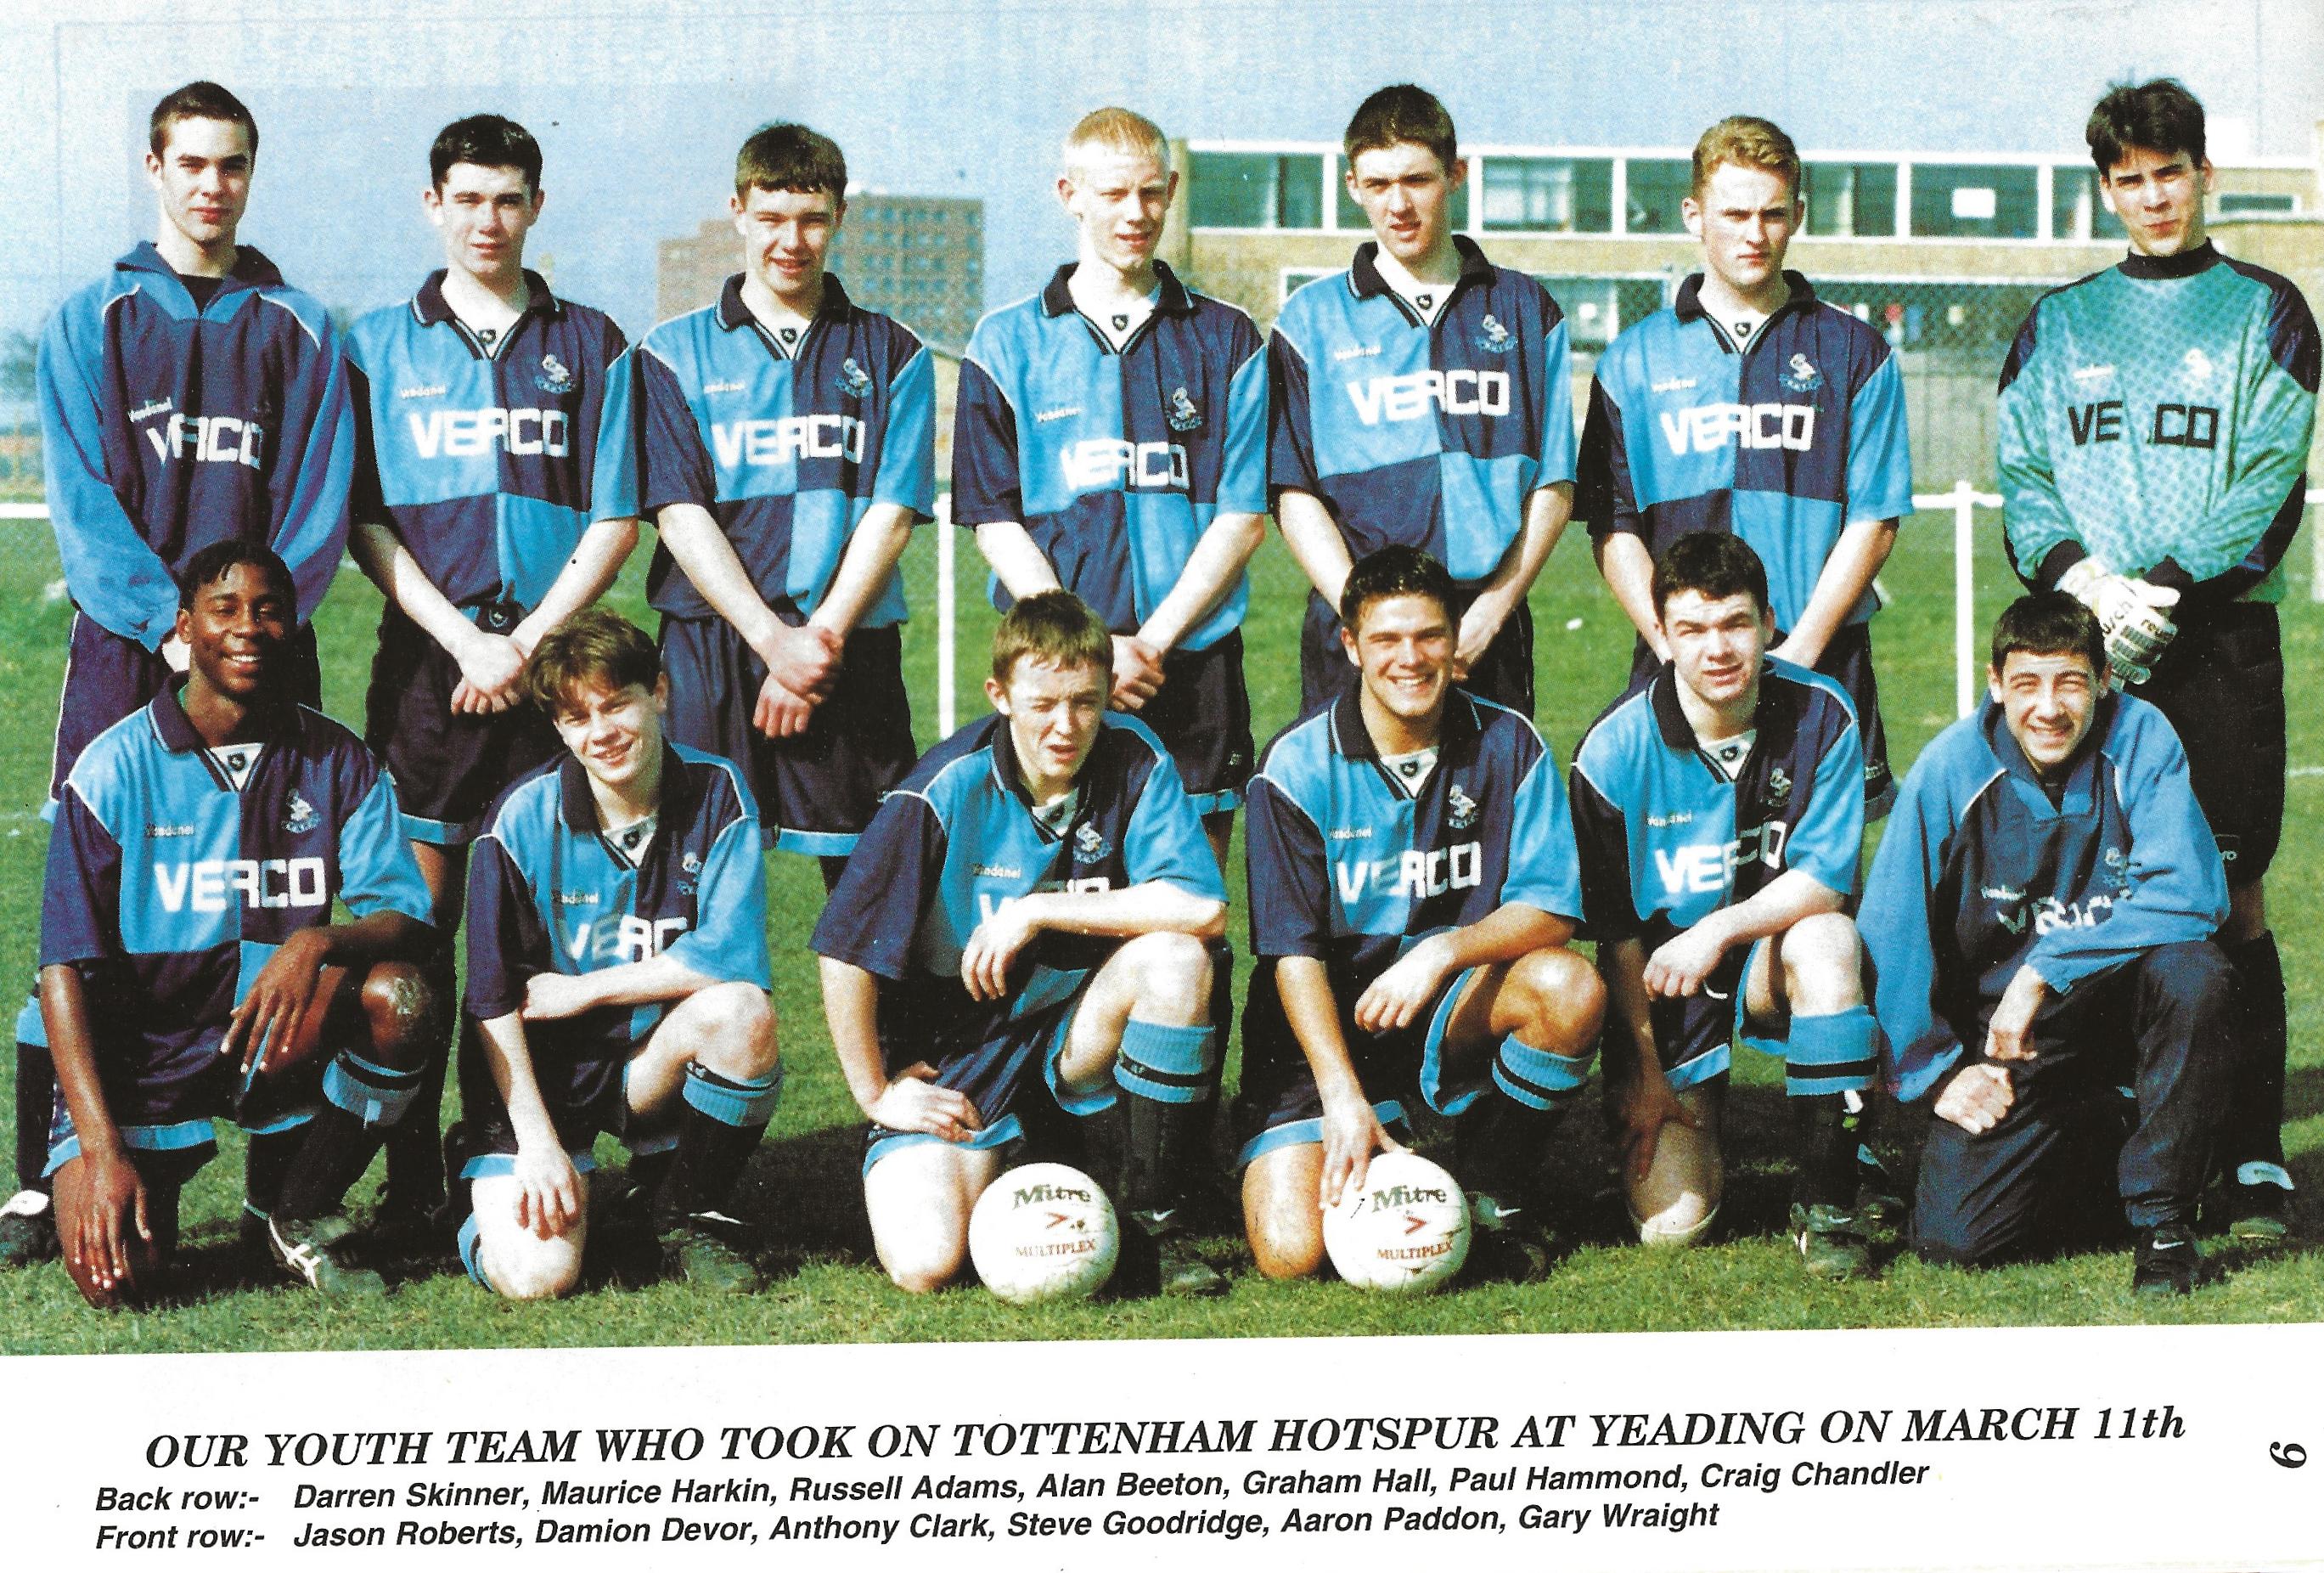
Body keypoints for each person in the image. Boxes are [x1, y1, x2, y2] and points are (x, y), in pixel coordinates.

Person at [8, 81, 357, 1271]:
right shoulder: (90, 318)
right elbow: (81, 497)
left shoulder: (301, 324)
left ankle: (281, 1187)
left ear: (252, 173)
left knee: (278, 888)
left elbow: (317, 501)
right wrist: (166, 621)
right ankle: (43, 1172)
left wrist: (248, 625)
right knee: (91, 904)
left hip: (263, 652)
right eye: (193, 163)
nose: (214, 184)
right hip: (129, 651)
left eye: (233, 164)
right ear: (153, 168)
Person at [1997, 77, 2316, 1245]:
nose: (2152, 197)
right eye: (2128, 180)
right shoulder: (2060, 322)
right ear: (2106, 190)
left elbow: (2269, 479)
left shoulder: (2265, 310)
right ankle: (2122, 1140)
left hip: (2213, 642)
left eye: (2169, 173)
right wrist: (2083, 582)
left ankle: (2252, 1151)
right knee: (2094, 888)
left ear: (2203, 173)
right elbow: (2024, 475)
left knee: (2227, 896)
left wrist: (2166, 591)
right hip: (2086, 646)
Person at [344, 113, 640, 1238]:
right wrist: (466, 642)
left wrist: (525, 645)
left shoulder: (592, 341)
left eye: (508, 198)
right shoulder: (377, 343)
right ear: (433, 205)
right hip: (430, 670)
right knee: (415, 924)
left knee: (536, 921)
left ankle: (510, 1145)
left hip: (550, 673)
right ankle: (408, 1176)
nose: (488, 219)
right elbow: (366, 519)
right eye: (467, 198)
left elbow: (616, 514)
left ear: (536, 207)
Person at [38, 544, 435, 1308]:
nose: (248, 627)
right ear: (185, 628)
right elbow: (62, 969)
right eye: (225, 609)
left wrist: (317, 941)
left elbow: (409, 917)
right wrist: (102, 1150)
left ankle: (294, 1209)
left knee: (402, 997)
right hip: (141, 1061)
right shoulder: (114, 767)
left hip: (268, 1039)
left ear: (293, 627)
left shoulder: (336, 759)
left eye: (269, 610)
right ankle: (128, 1167)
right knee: (119, 1283)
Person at [811, 591, 1230, 1296]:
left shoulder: (1134, 755)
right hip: (958, 1056)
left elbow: (1202, 906)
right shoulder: (942, 789)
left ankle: (1155, 1220)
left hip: (1073, 1031)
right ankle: (1032, 1152)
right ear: (999, 696)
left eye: (1086, 702)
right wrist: (876, 1093)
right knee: (924, 1263)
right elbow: (843, 949)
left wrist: (1036, 910)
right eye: (1043, 704)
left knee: (1177, 959)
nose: (1066, 725)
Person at [1236, 546, 1603, 1283]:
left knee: (1566, 987)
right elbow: (1292, 955)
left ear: (1454, 636)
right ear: (1350, 646)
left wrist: (1440, 952)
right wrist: (1340, 1095)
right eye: (1387, 639)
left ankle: (1494, 1191)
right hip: (1327, 1031)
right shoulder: (1295, 766)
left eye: (1429, 635)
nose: (1410, 658)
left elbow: (1551, 909)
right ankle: (1352, 1125)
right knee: (1290, 1256)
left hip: (1446, 1005)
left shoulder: (1509, 742)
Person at [1865, 594, 2231, 1294]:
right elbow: (1892, 933)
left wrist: (2043, 969)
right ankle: (2111, 1131)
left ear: (2103, 679)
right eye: (2026, 684)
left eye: (2069, 682)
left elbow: (2191, 894)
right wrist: (1935, 1074)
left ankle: (2163, 1219)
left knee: (2194, 973)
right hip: (2012, 1043)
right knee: (1954, 1241)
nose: (2048, 708)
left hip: (2122, 1011)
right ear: (1995, 683)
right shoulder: (1950, 769)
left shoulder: (2141, 736)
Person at [954, 106, 1267, 873]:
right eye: (1114, 194)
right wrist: (1088, 647)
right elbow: (992, 517)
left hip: (1187, 660)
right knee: (1053, 886)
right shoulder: (1005, 340)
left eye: (1151, 193)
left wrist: (1149, 644)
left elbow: (1241, 516)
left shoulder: (1226, 337)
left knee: (1193, 895)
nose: (1136, 214)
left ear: (1172, 190)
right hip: (1057, 668)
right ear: (1070, 195)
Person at [1578, 114, 1912, 819]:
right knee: (1676, 863)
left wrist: (1796, 658)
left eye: (1771, 214)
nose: (1753, 234)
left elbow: (1874, 518)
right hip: (1683, 665)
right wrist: (1673, 649)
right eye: (1734, 214)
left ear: (1798, 215)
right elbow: (1612, 526)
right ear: (1693, 215)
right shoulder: (1632, 359)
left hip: (1817, 661)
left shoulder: (1855, 352)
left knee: (1817, 873)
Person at [632, 121, 935, 888]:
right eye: (770, 218)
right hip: (713, 642)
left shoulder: (894, 352)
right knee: (697, 871)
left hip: (847, 642)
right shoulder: (671, 352)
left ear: (840, 217)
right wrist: (774, 642)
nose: (790, 241)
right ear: (737, 211)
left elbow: (893, 513)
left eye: (811, 219)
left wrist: (814, 644)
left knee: (872, 877)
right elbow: (678, 512)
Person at [1570, 533, 1877, 1279]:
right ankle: (1694, 1105)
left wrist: (1719, 928)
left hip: (1765, 954)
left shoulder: (1824, 712)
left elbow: (1824, 880)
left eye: (1735, 623)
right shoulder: (1611, 752)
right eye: (1693, 629)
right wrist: (1646, 1073)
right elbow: (1615, 937)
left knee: (1828, 941)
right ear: (1661, 634)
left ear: (1768, 622)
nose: (1717, 649)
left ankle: (1828, 1199)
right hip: (1666, 985)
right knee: (1672, 1226)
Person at [458, 610, 779, 1299]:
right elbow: (490, 999)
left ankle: (681, 1214)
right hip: (539, 1081)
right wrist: (535, 1142)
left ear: (658, 691)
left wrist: (586, 989)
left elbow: (728, 955)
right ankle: (482, 1192)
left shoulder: (718, 791)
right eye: (577, 717)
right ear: (558, 728)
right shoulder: (519, 818)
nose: (600, 732)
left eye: (615, 704)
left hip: (644, 1065)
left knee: (742, 1013)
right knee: (538, 1278)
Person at [1268, 83, 1574, 718]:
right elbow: (1293, 492)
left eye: (1417, 180)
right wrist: (1364, 617)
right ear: (1352, 186)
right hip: (1358, 628)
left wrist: (1492, 610)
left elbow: (1553, 483)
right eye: (1378, 184)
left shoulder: (1525, 309)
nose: (1398, 204)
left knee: (1491, 784)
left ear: (1456, 175)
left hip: (1484, 627)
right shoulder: (1309, 320)